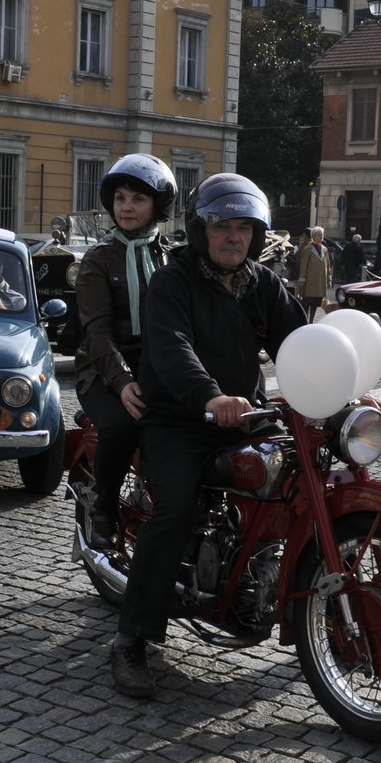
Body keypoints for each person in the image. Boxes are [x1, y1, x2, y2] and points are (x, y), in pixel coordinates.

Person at [109, 173, 331, 698]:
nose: (234, 237)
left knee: (306, 480)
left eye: (244, 228)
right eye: (222, 226)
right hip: (179, 419)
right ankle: (132, 641)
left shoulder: (263, 283)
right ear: (200, 229)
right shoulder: (173, 281)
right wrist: (208, 396)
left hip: (246, 417)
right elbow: (171, 347)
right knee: (176, 507)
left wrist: (346, 392)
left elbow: (299, 345)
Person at [73, 154, 174, 550]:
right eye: (120, 198)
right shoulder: (98, 259)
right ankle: (104, 510)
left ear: (158, 207)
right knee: (122, 425)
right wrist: (122, 382)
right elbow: (96, 331)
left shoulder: (170, 256)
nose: (127, 207)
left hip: (157, 362)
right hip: (102, 368)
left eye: (138, 199)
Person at [297, 226, 330, 319]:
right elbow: (303, 265)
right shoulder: (307, 249)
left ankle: (311, 320)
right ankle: (304, 319)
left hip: (320, 282)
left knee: (316, 303)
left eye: (322, 235)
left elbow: (328, 264)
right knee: (307, 302)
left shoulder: (324, 249)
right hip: (310, 281)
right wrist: (302, 279)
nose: (322, 237)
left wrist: (329, 278)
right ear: (314, 236)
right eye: (320, 235)